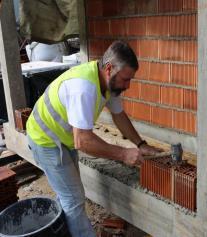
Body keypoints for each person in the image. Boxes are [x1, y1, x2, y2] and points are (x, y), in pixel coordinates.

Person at [26, 40, 160, 237]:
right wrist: (123, 154)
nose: (128, 86)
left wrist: (141, 144)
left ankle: (60, 229)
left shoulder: (108, 82)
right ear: (109, 68)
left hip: (63, 138)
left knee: (68, 194)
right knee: (74, 198)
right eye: (126, 79)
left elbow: (119, 116)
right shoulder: (83, 88)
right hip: (45, 140)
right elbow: (83, 142)